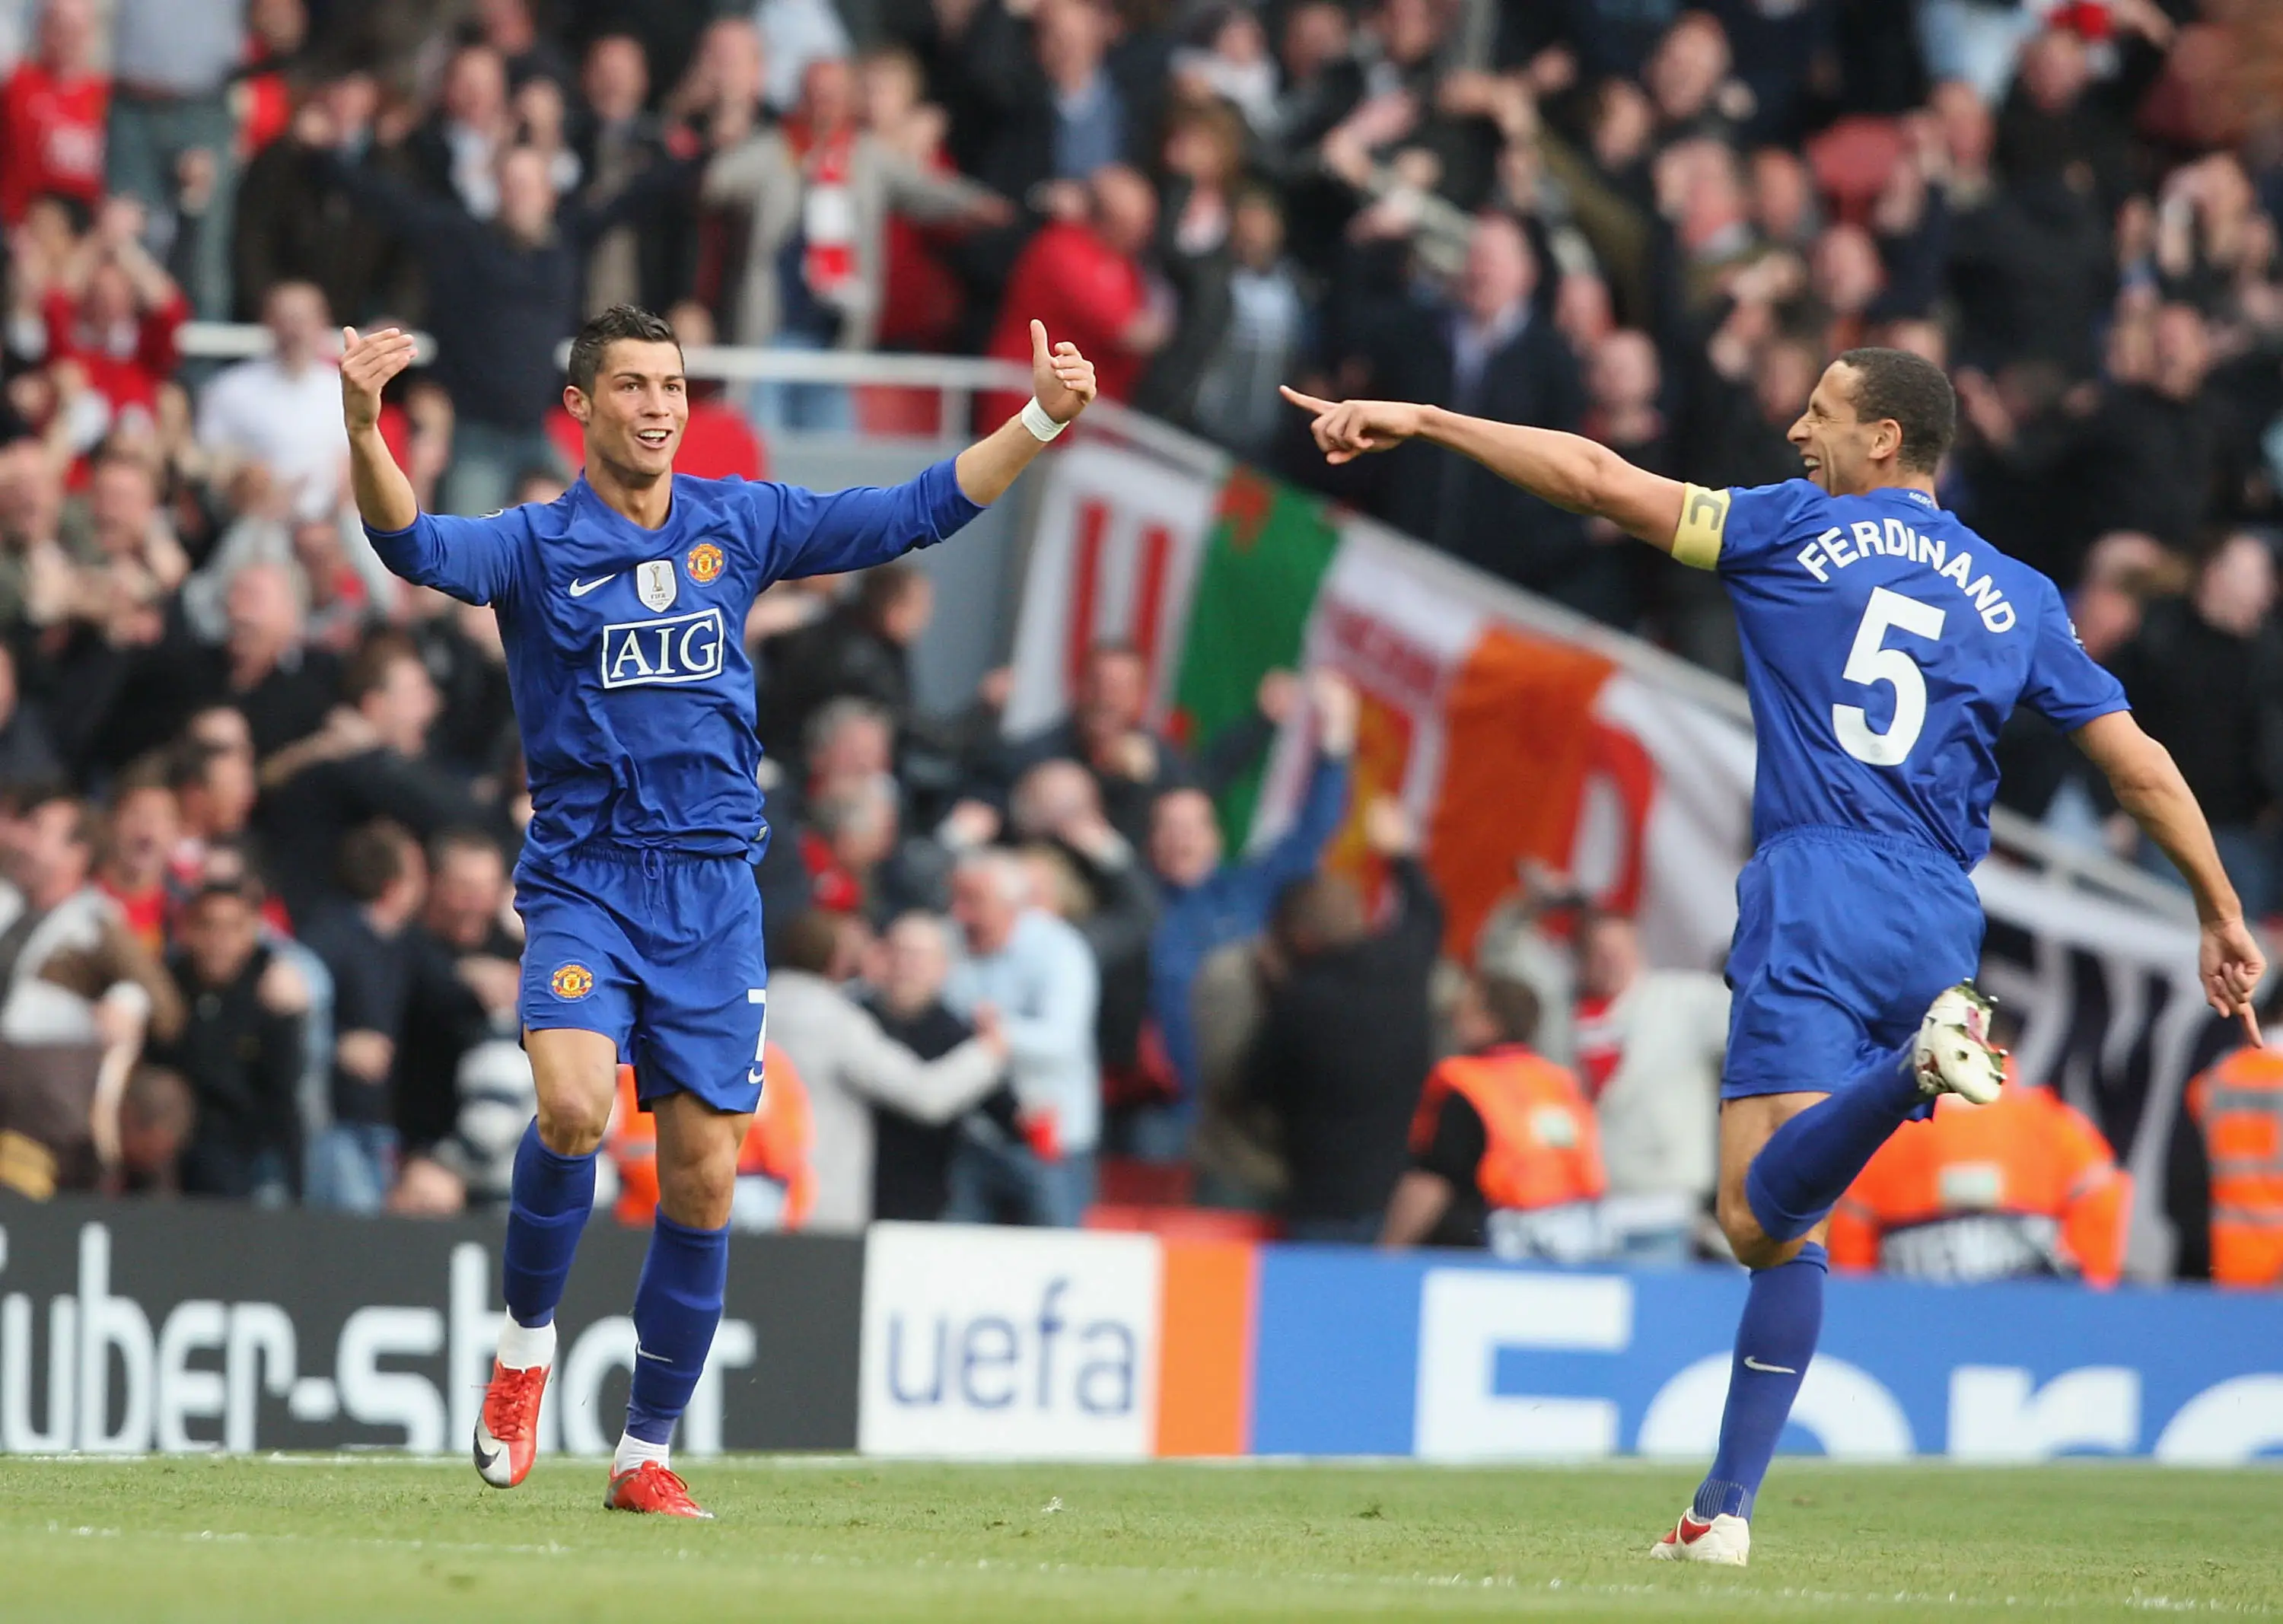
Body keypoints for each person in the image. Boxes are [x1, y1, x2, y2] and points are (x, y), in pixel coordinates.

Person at [1282, 346, 2263, 1565]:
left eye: (1821, 412)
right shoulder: (2021, 595)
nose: (1798, 429)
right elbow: (2141, 764)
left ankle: (1912, 1071)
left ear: (1886, 440)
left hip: (1818, 883)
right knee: (1789, 1222)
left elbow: (1594, 478)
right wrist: (2219, 906)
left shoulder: (1789, 529)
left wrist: (1425, 416)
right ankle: (1721, 1513)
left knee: (1753, 1214)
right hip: (1941, 913)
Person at [339, 300, 1097, 1517]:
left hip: (712, 897)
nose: (660, 408)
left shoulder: (735, 520)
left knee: (702, 1180)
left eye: (674, 387)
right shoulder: (536, 545)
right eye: (634, 387)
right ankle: (524, 1352)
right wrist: (365, 427)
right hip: (587, 883)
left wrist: (1039, 420)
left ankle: (643, 1452)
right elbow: (414, 549)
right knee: (576, 1110)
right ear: (581, 407)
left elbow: (912, 511)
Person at [1241, 798, 1442, 1241]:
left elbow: (1252, 1088)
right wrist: (1400, 854)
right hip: (1395, 1195)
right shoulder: (1403, 967)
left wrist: (1271, 993)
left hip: (1323, 1200)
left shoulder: (1301, 1004)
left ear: (1301, 939)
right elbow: (1427, 914)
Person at [1829, 1056, 2131, 1286]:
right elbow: (2101, 1208)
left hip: (1914, 1321)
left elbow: (1851, 1254)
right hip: (2031, 1321)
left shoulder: (1884, 1135)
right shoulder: (2056, 1128)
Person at [1380, 973, 1606, 1260]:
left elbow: (1433, 1179)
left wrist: (1388, 1252)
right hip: (1574, 1241)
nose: (1454, 1018)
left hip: (1490, 1246)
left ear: (1490, 1020)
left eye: (1465, 1009)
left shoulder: (1465, 1084)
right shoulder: (1560, 1083)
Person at [1571, 911, 1729, 1264]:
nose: (1610, 962)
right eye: (1599, 952)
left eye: (1619, 950)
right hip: (1585, 1203)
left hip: (1662, 1200)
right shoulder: (1572, 1015)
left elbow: (1752, 1012)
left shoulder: (1681, 999)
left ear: (1638, 950)